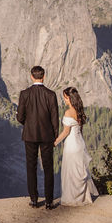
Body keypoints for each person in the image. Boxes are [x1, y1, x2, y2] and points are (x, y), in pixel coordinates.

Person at [16, 65, 59, 209]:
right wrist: (55, 136)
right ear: (44, 76)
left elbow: (20, 117)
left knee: (31, 166)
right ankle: (48, 201)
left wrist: (27, 124)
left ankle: (34, 200)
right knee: (48, 168)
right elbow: (55, 118)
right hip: (47, 135)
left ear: (31, 76)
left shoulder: (24, 94)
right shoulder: (51, 94)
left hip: (29, 134)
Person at [54, 86, 99, 206]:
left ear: (69, 98)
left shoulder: (68, 112)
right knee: (79, 171)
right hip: (80, 143)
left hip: (72, 144)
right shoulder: (79, 111)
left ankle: (72, 198)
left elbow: (66, 132)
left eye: (65, 98)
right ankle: (82, 197)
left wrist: (54, 142)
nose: (64, 100)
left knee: (71, 171)